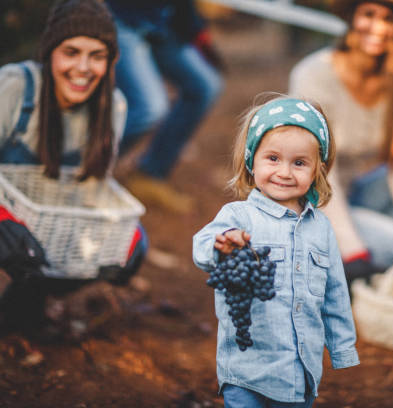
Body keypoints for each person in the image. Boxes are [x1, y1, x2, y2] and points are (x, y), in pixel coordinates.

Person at [193, 96, 359, 407]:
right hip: (246, 370)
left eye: (299, 163)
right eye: (272, 158)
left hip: (300, 374)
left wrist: (342, 348)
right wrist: (222, 245)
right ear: (250, 160)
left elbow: (336, 292)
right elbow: (202, 247)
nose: (284, 172)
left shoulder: (321, 228)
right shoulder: (239, 216)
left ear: (318, 170)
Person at [289, 0, 393, 288]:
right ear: (353, 18)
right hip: (313, 202)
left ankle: (381, 243)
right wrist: (352, 250)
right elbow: (318, 175)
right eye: (369, 14)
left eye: (389, 18)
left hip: (356, 191)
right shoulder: (314, 76)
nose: (378, 27)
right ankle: (349, 253)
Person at [0, 0, 147, 336]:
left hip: (45, 220)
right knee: (11, 238)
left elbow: (90, 194)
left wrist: (119, 235)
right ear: (50, 52)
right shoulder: (14, 87)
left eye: (97, 55)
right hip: (5, 218)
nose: (84, 67)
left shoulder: (113, 108)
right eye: (71, 51)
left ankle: (26, 304)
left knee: (135, 248)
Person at [106, 0, 224, 214]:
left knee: (205, 86)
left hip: (162, 23)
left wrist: (196, 28)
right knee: (150, 108)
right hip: (123, 20)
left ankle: (150, 174)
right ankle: (85, 171)